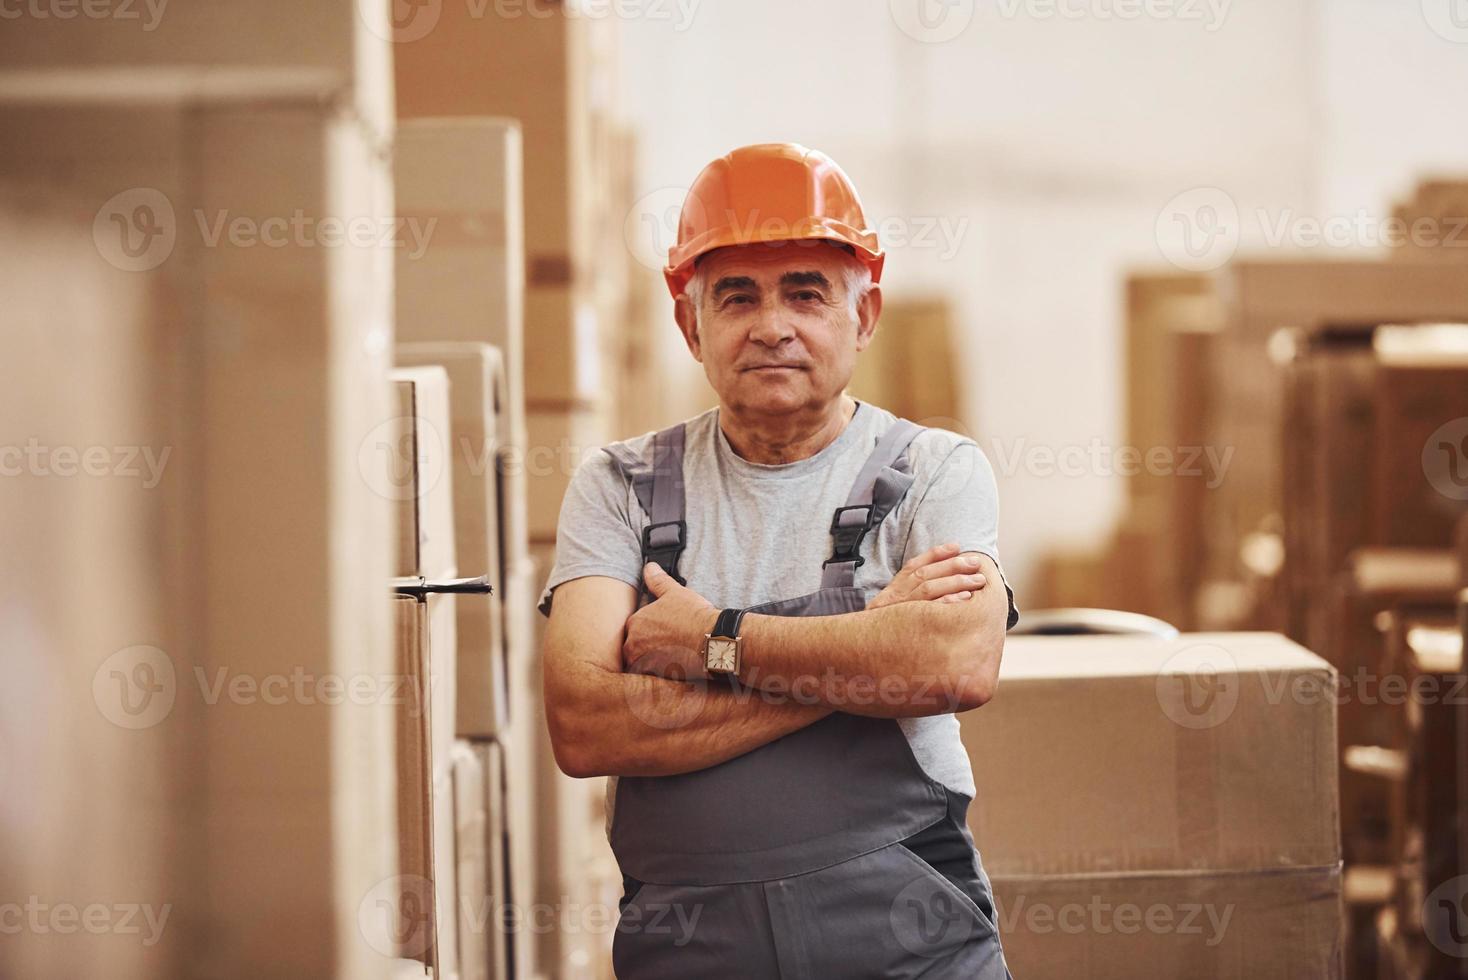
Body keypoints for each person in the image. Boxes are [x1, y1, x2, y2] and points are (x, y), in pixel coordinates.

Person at [537, 142, 1017, 978]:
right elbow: (582, 723)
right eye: (737, 297)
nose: (772, 325)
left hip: (910, 947)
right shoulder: (619, 486)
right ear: (692, 325)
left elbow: (955, 664)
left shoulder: (936, 471)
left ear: (862, 318)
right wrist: (868, 644)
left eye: (806, 293)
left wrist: (710, 643)